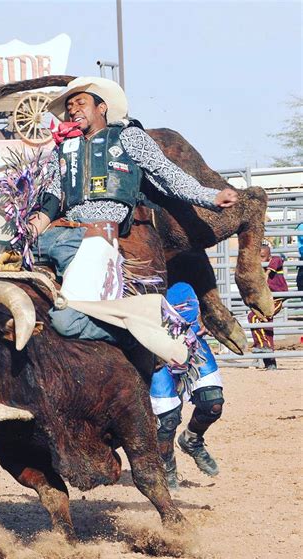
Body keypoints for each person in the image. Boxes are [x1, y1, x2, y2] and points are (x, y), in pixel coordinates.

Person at [26, 76, 237, 344]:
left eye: (81, 102)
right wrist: (29, 232)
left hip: (98, 234)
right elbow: (53, 196)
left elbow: (167, 174)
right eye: (69, 106)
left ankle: (139, 335)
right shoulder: (64, 148)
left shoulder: (128, 137)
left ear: (102, 107)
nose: (73, 109)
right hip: (59, 234)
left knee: (65, 322)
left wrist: (209, 195)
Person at [150, 282, 224, 489]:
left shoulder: (189, 257)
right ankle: (166, 465)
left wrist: (208, 312)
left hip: (193, 340)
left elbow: (205, 283)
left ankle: (191, 439)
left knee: (213, 404)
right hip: (154, 346)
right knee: (167, 420)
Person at [247, 243, 288, 370]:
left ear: (269, 257)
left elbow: (278, 260)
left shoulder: (275, 261)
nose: (260, 260)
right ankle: (268, 359)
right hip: (263, 301)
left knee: (260, 318)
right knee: (258, 321)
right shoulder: (256, 268)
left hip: (275, 300)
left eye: (263, 257)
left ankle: (264, 347)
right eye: (258, 257)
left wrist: (267, 271)